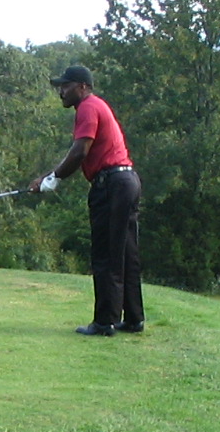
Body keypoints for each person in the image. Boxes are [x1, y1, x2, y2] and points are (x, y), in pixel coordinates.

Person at [30, 65, 141, 336]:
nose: (61, 92)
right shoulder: (95, 105)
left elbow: (80, 151)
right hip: (126, 182)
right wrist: (48, 176)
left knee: (106, 255)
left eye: (65, 86)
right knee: (126, 254)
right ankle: (133, 319)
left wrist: (53, 178)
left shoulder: (88, 107)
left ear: (82, 86)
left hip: (112, 185)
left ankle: (105, 322)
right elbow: (78, 154)